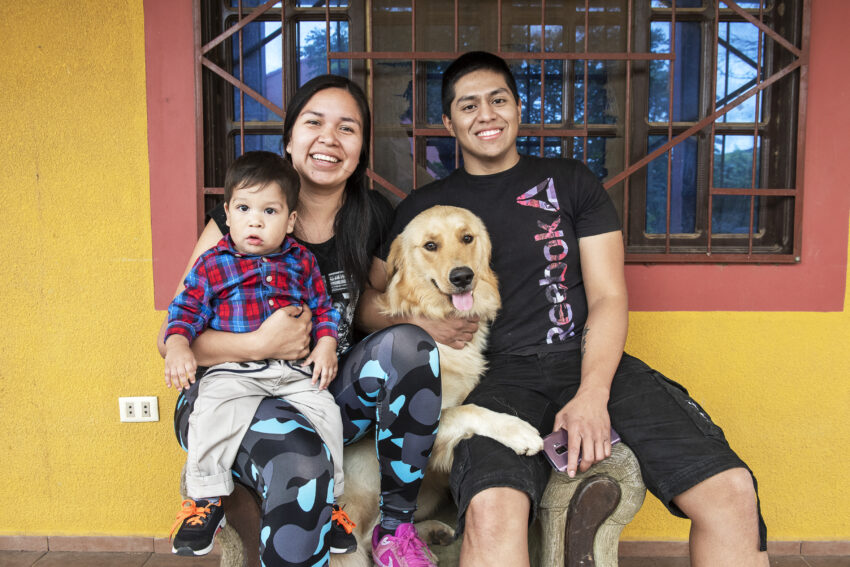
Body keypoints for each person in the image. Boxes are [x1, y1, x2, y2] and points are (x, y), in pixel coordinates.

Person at [358, 51, 768, 567]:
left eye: (498, 100)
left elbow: (609, 297)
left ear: (518, 108)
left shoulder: (571, 182)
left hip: (587, 358)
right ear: (448, 122)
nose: (486, 114)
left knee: (731, 491)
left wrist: (592, 394)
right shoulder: (424, 209)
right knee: (491, 511)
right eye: (468, 106)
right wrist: (417, 321)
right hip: (496, 379)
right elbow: (369, 303)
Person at [158, 75, 443, 567]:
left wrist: (427, 322)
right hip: (228, 394)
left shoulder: (373, 214)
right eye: (314, 123)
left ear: (361, 150)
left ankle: (395, 531)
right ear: (289, 138)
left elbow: (372, 304)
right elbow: (173, 338)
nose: (329, 138)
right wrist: (260, 343)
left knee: (412, 346)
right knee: (301, 456)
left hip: (314, 383)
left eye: (347, 128)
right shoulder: (237, 223)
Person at [165, 151, 346, 556]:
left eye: (270, 210)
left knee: (328, 416)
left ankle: (332, 505)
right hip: (232, 373)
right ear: (227, 213)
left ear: (291, 220)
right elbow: (184, 312)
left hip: (291, 372)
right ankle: (204, 500)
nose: (256, 220)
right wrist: (178, 344)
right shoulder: (213, 264)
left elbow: (322, 308)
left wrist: (327, 343)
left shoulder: (302, 261)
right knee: (209, 412)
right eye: (244, 208)